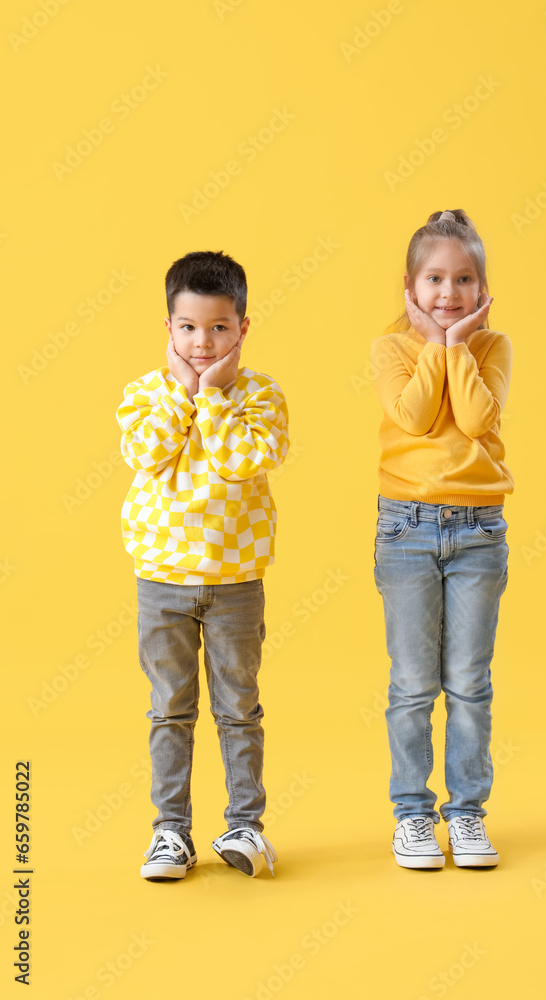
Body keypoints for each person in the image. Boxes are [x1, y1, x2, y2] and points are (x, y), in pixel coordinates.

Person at [116, 250, 289, 881]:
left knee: (239, 706)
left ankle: (245, 825)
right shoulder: (143, 395)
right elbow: (149, 453)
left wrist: (212, 397)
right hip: (162, 580)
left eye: (218, 327)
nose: (202, 341)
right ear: (168, 328)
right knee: (170, 708)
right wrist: (185, 395)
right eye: (188, 327)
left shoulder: (260, 396)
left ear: (243, 327)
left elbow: (242, 460)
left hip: (235, 581)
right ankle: (171, 832)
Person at [370, 209, 514, 871]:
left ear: (482, 288)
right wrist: (432, 341)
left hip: (479, 531)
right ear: (410, 284)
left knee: (468, 684)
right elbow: (416, 417)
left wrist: (456, 344)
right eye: (434, 279)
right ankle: (412, 817)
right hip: (405, 529)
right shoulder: (391, 348)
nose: (447, 293)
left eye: (462, 279)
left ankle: (467, 815)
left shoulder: (492, 347)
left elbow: (479, 414)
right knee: (411, 684)